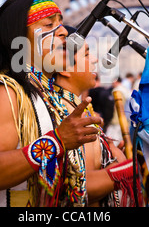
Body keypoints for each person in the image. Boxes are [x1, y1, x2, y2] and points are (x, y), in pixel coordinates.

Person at [0, 0, 102, 207]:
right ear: (20, 37)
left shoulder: (47, 95)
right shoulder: (3, 91)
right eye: (48, 25)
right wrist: (58, 141)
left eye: (61, 23)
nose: (63, 31)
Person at [54, 26, 140, 207]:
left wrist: (111, 158)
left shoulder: (75, 107)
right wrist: (128, 169)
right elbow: (76, 188)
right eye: (86, 55)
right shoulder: (62, 114)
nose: (94, 60)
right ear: (63, 68)